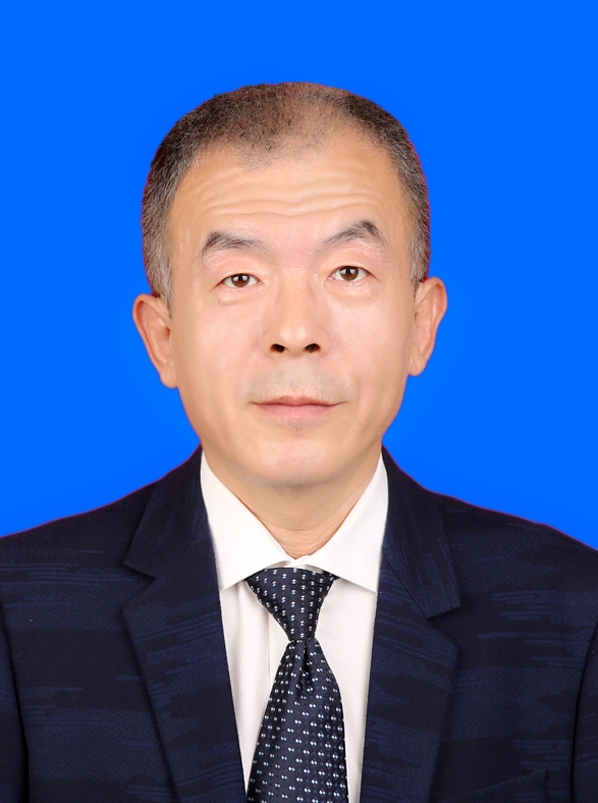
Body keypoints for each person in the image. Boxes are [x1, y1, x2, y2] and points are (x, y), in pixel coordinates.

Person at [0, 83, 596, 803]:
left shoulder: (574, 616)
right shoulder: (18, 618)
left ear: (421, 325)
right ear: (163, 338)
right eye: (239, 277)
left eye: (348, 271)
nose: (295, 330)